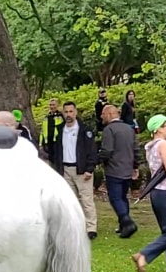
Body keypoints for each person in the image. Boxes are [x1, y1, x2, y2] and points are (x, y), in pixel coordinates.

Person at [131, 115, 166, 272]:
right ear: (158, 129)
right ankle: (143, 255)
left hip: (156, 193)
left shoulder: (151, 147)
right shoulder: (164, 144)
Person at [50, 102, 98, 239]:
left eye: (71, 111)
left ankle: (91, 228)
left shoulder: (84, 130)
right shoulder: (59, 129)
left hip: (81, 170)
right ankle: (73, 227)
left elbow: (92, 151)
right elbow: (55, 150)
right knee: (69, 201)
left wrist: (89, 168)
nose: (68, 114)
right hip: (65, 168)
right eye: (66, 112)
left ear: (75, 112)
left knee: (86, 200)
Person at [99, 105, 140, 238]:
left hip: (114, 169)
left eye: (103, 114)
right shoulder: (129, 129)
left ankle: (127, 222)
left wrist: (98, 160)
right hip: (127, 169)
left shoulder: (109, 130)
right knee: (123, 197)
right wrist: (135, 166)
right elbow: (136, 149)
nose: (101, 116)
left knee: (115, 198)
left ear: (109, 114)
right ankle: (123, 225)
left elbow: (107, 151)